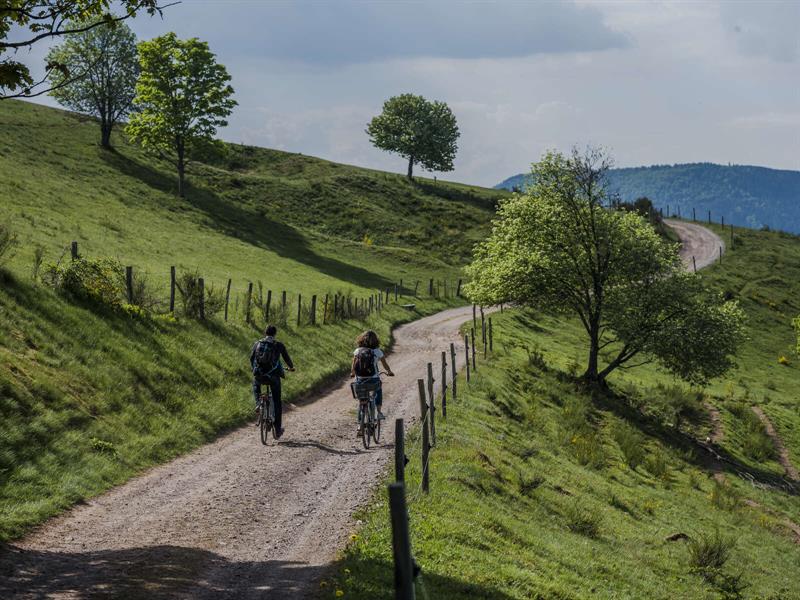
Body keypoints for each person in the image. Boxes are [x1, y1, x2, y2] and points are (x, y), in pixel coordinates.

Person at [250, 324, 295, 439]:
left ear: (265, 333)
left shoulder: (257, 343)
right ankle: (278, 430)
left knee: (256, 384)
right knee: (277, 402)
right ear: (275, 334)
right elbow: (286, 358)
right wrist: (291, 367)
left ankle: (258, 403)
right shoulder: (278, 345)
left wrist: (255, 370)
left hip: (259, 375)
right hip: (273, 377)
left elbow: (251, 358)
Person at [350, 330, 394, 422]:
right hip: (373, 379)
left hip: (360, 379)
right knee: (378, 390)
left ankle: (359, 425)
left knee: (362, 400)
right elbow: (385, 364)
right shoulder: (377, 351)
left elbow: (353, 365)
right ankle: (379, 412)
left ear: (361, 339)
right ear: (376, 340)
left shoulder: (358, 351)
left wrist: (353, 373)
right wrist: (389, 371)